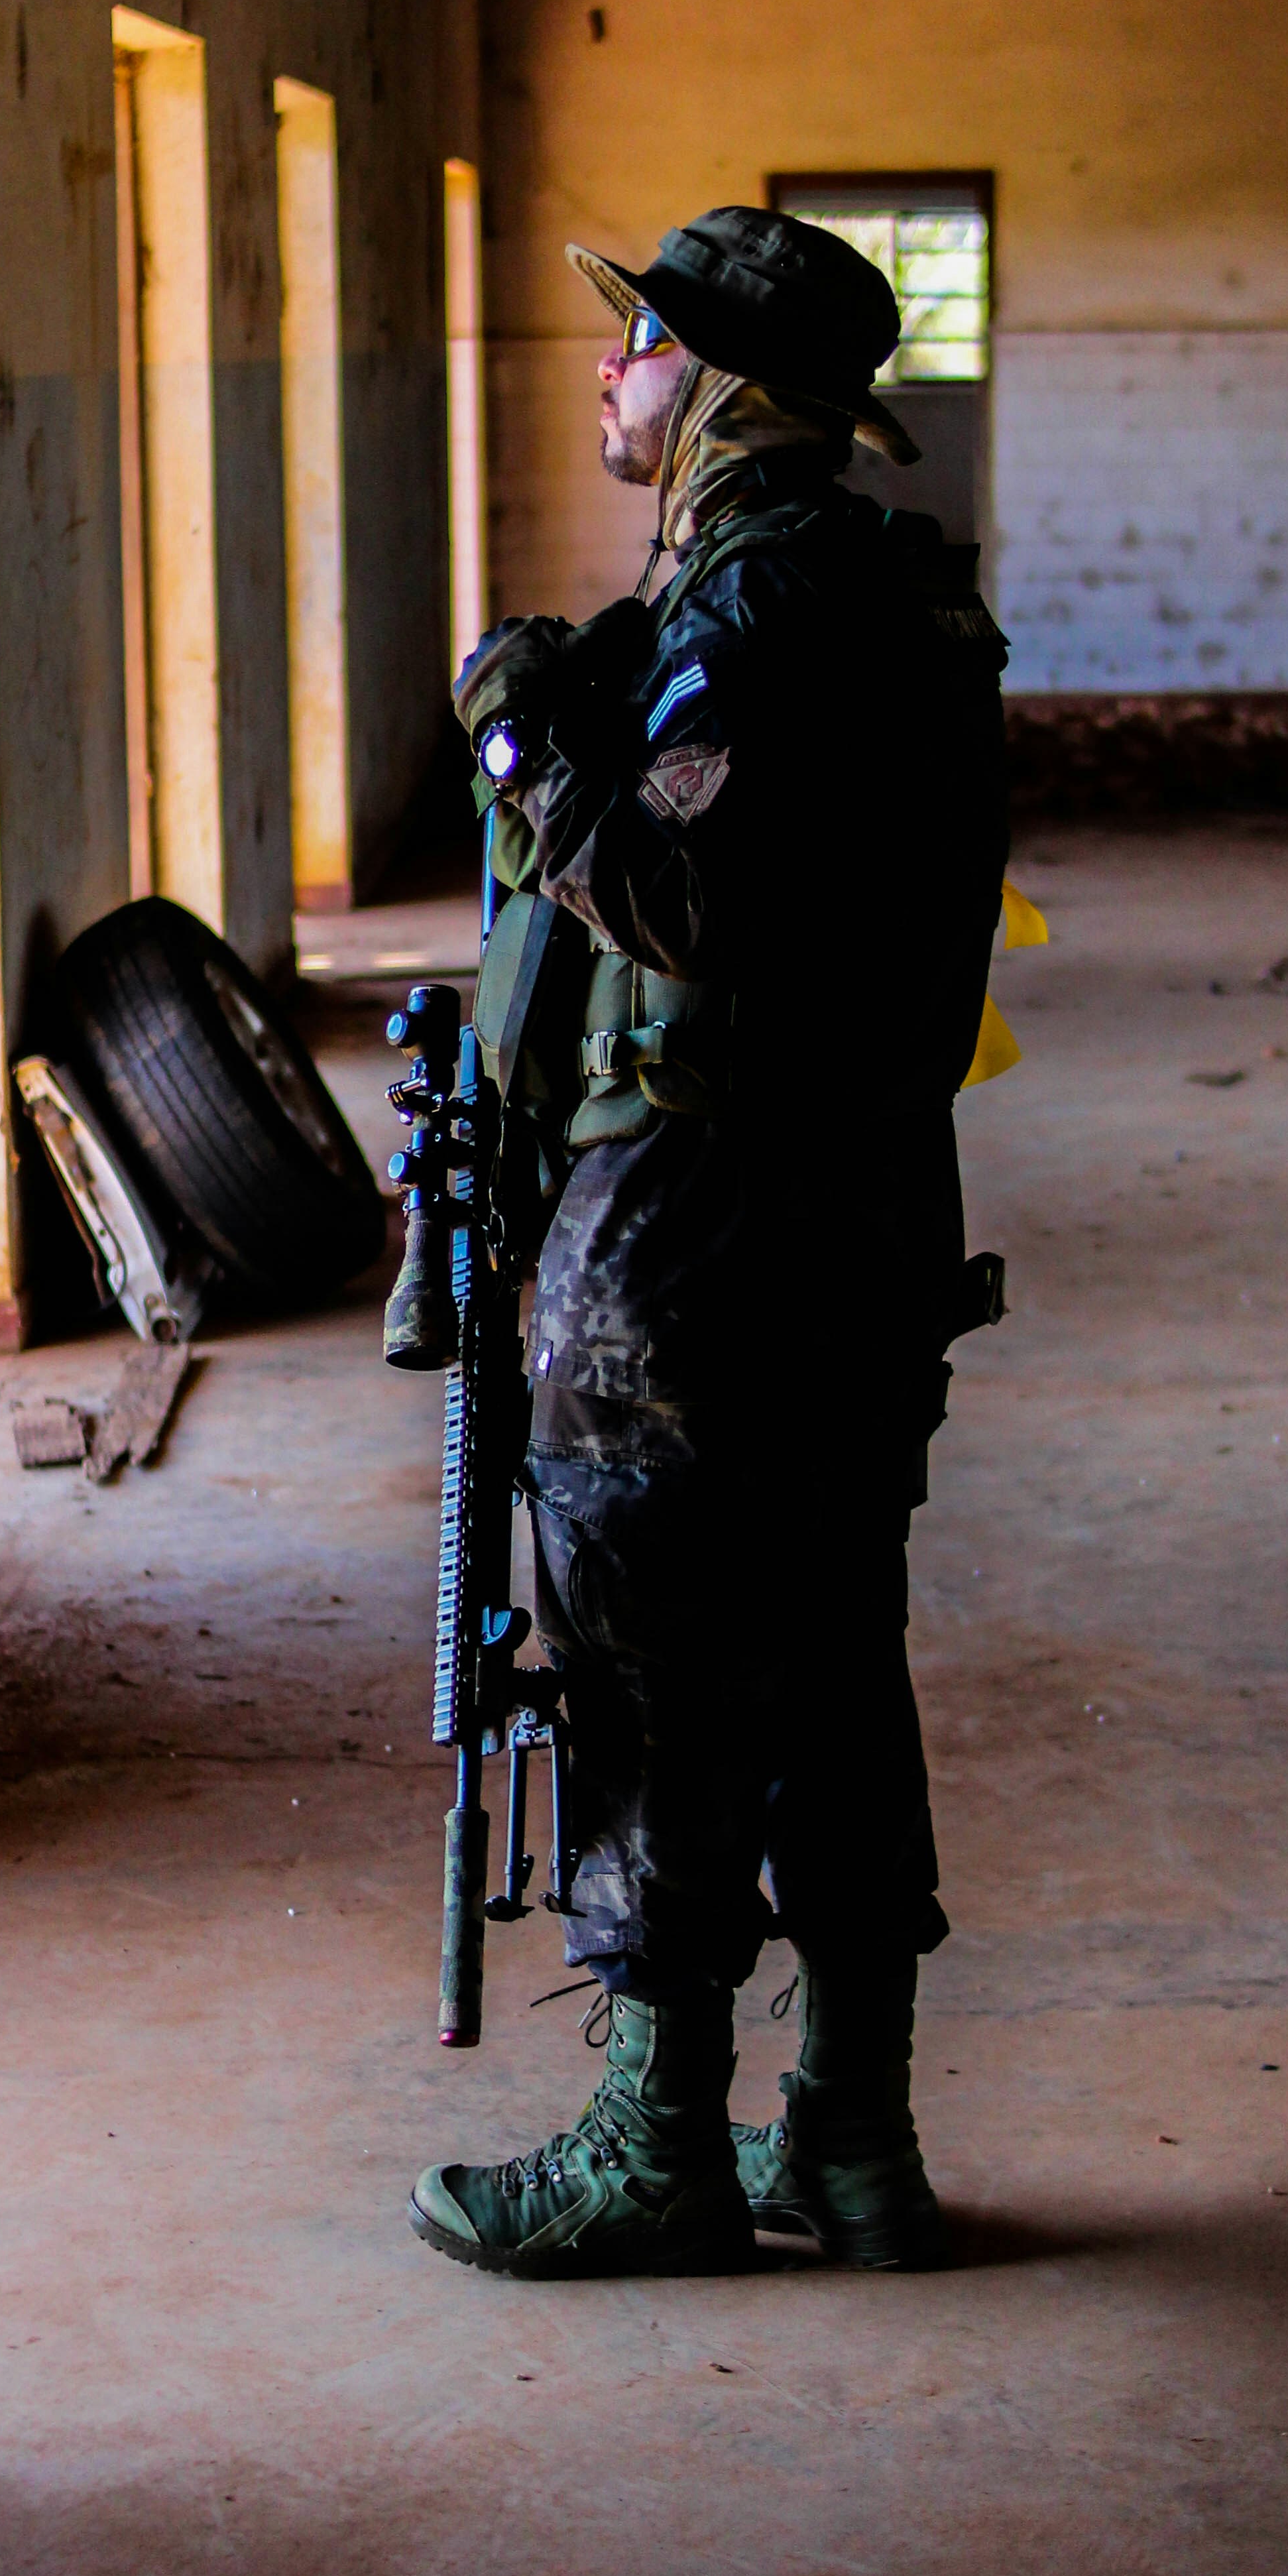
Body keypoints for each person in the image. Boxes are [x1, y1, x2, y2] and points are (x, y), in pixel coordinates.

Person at [408, 205, 1009, 2280]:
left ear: (730, 394)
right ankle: (850, 2138)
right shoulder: (890, 597)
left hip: (696, 1234)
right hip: (854, 1216)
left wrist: (515, 737)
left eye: (642, 345)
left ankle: (654, 2142)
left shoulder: (753, 609)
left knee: (658, 1679)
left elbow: (688, 899)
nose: (608, 371)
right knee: (838, 1657)